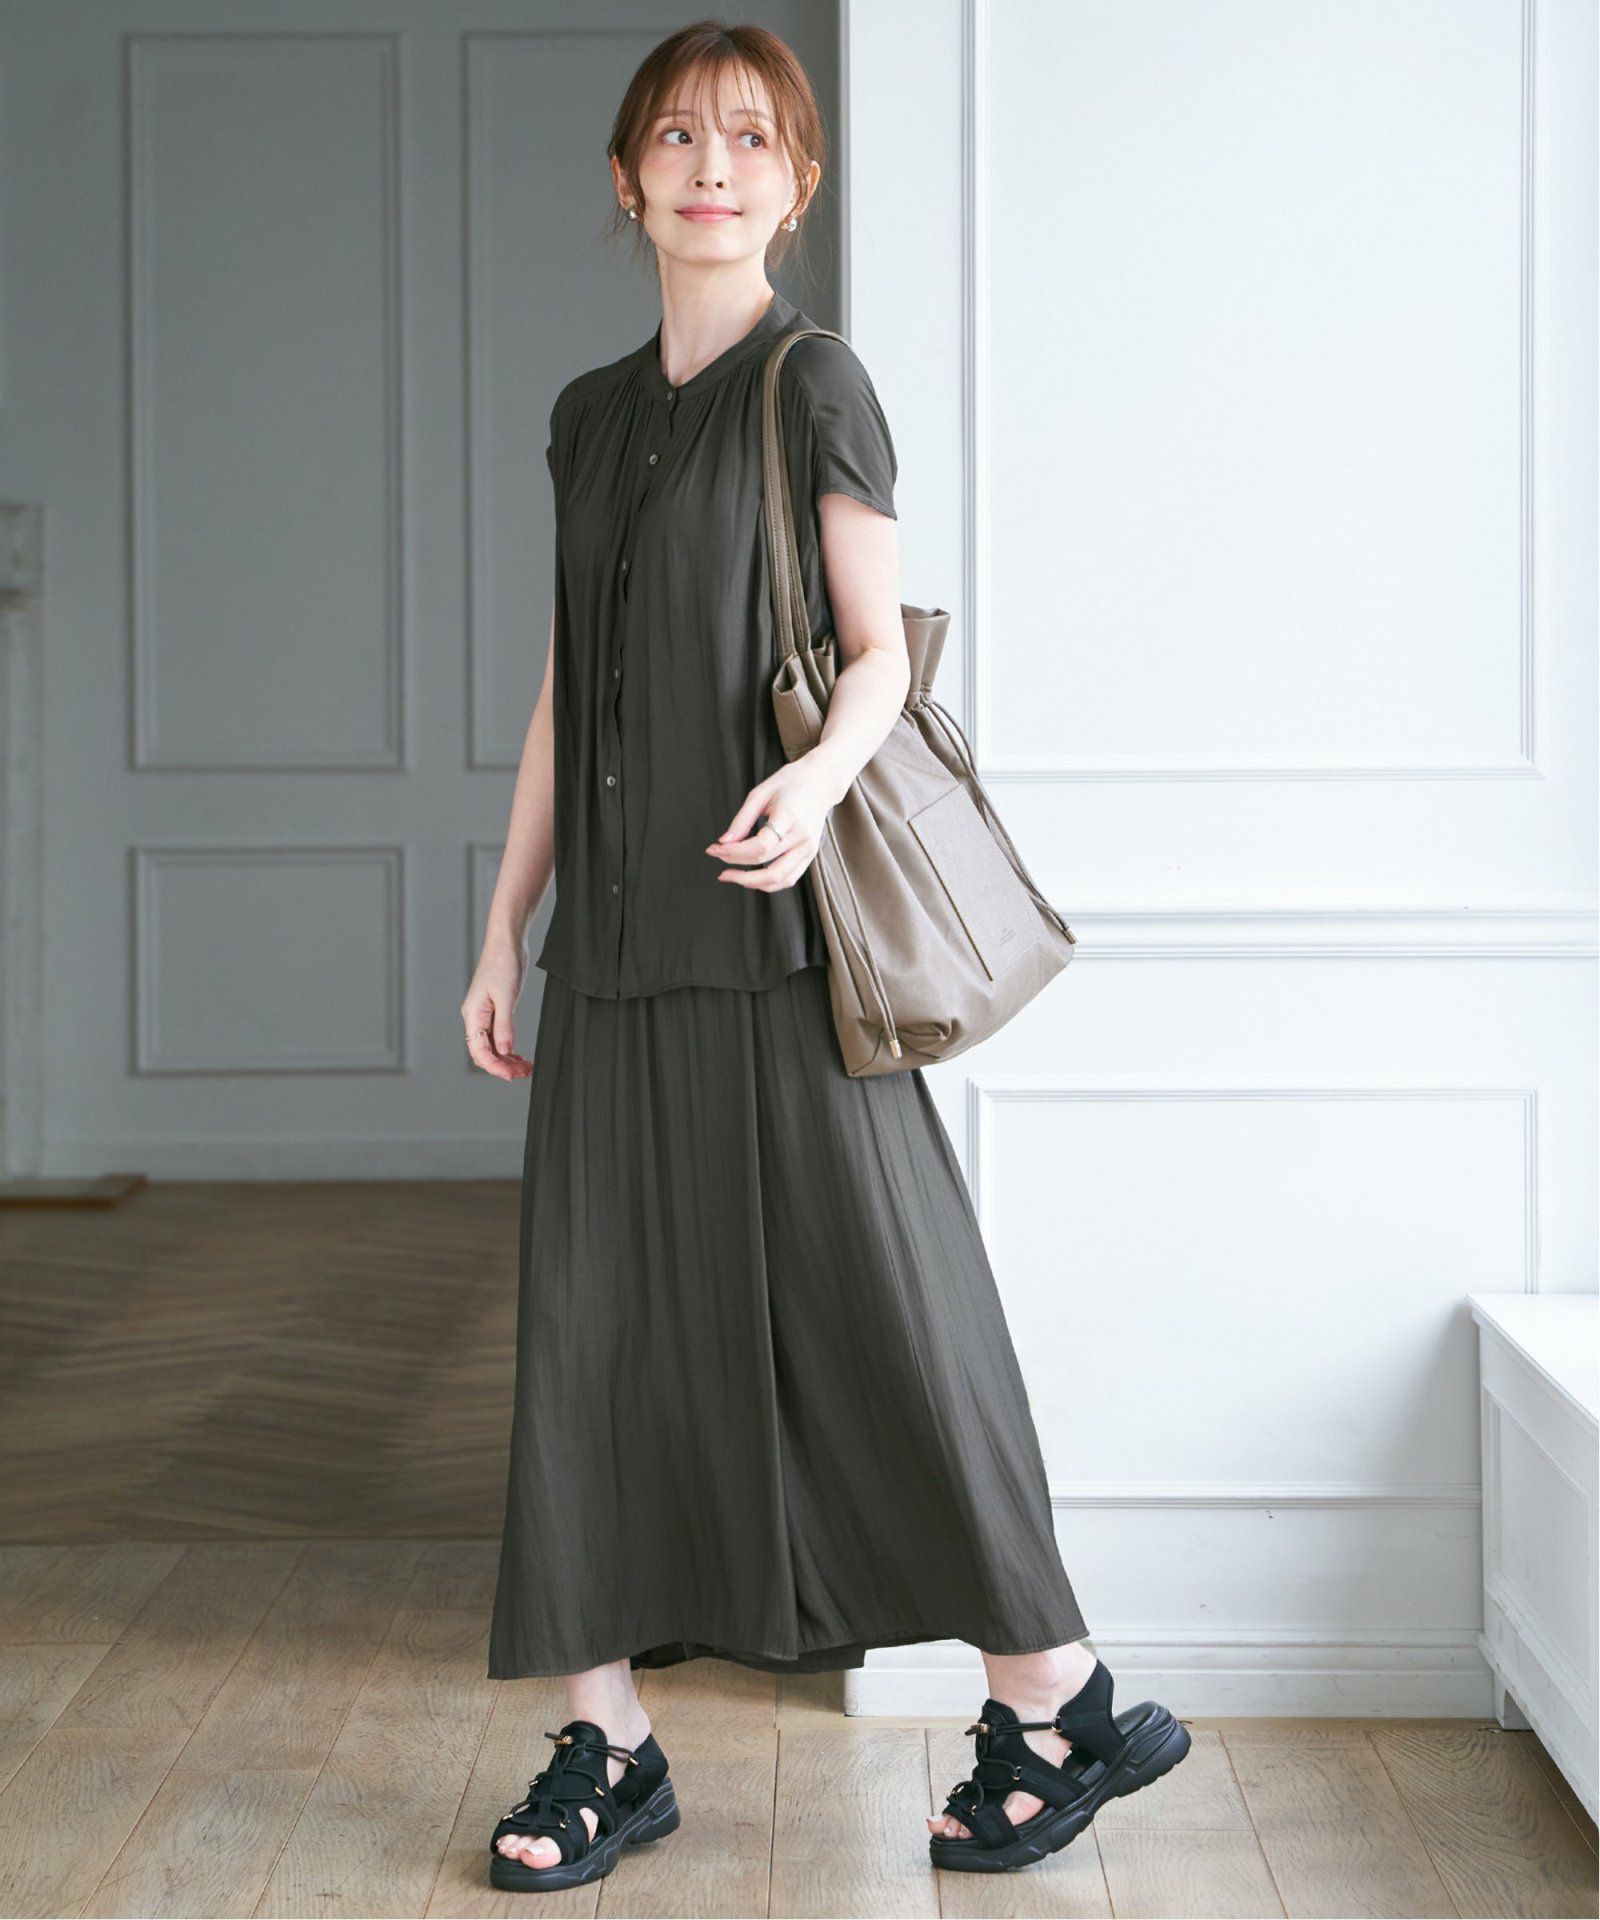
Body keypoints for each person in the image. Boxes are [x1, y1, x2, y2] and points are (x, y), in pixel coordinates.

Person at [466, 19, 1188, 1893]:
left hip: (783, 942)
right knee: (589, 1345)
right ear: (627, 177)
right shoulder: (585, 416)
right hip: (613, 953)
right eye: (677, 136)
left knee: (891, 1312)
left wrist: (816, 777)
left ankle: (1061, 1699)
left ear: (797, 183)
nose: (712, 166)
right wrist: (504, 921)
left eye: (750, 139)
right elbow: (564, 691)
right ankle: (607, 1744)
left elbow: (879, 651)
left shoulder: (815, 384)